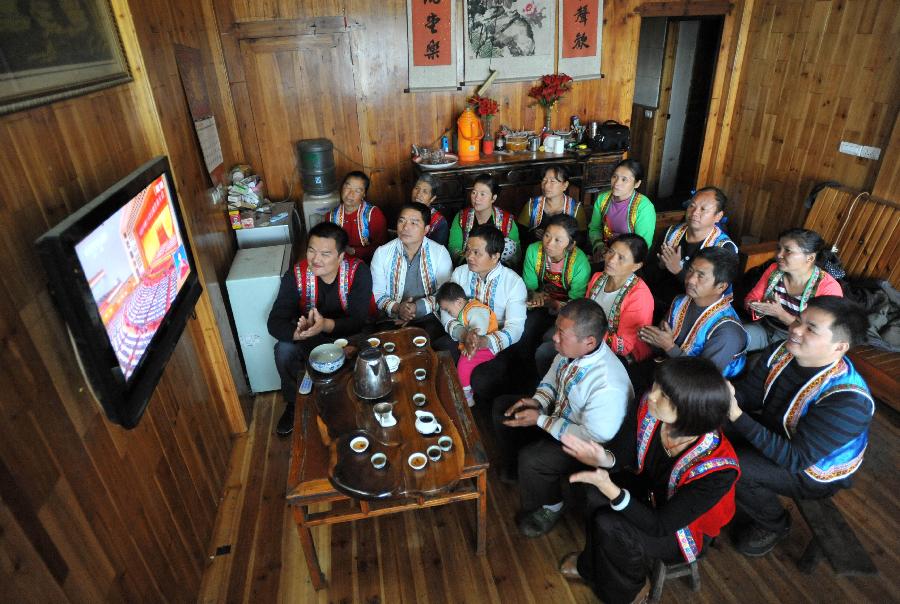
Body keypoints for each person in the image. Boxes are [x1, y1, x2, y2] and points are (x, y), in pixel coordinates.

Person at [557, 357, 739, 603]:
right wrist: (604, 458)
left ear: (690, 412)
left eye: (664, 396)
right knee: (590, 492)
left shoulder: (718, 469)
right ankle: (590, 565)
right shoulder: (651, 408)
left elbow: (661, 525)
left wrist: (612, 490)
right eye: (657, 386)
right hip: (649, 490)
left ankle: (629, 590)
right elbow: (624, 453)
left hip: (680, 529)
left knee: (609, 523)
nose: (652, 395)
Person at [727, 296, 874, 557]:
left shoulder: (848, 400)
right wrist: (718, 397)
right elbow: (748, 395)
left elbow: (796, 459)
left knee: (735, 466)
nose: (795, 329)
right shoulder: (781, 351)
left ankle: (774, 523)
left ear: (839, 347)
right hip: (781, 433)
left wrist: (736, 415)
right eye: (798, 320)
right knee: (711, 424)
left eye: (811, 328)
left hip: (812, 471)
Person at [493, 299, 633, 538]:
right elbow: (550, 380)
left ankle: (551, 505)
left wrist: (539, 420)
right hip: (559, 418)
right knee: (503, 408)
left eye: (561, 333)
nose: (555, 338)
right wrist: (539, 401)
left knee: (533, 459)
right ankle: (519, 473)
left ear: (589, 341)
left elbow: (594, 438)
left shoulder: (608, 385)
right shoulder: (570, 351)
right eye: (557, 329)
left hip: (588, 447)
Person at [267, 222, 374, 436]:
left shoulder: (357, 271)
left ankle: (360, 401)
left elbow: (359, 320)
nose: (316, 259)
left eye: (325, 254)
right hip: (310, 339)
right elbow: (275, 321)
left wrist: (325, 325)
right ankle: (293, 403)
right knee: (284, 349)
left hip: (349, 336)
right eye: (311, 250)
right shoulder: (296, 275)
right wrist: (298, 333)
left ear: (341, 256)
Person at [437, 224, 527, 407]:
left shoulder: (513, 283)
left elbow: (515, 329)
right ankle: (448, 400)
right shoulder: (460, 273)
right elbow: (445, 310)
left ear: (495, 256)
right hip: (463, 335)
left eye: (477, 253)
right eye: (468, 250)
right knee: (441, 351)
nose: (469, 256)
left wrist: (483, 341)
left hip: (495, 345)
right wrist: (464, 334)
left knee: (482, 381)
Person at [639, 247, 748, 380]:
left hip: (695, 390)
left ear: (721, 286)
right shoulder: (681, 301)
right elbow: (662, 337)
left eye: (701, 276)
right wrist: (653, 337)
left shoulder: (728, 331)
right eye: (690, 270)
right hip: (670, 369)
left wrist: (669, 347)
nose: (690, 280)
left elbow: (704, 379)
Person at [744, 228, 844, 351]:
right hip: (765, 329)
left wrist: (780, 313)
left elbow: (818, 333)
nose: (779, 255)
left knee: (761, 363)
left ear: (810, 258)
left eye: (788, 251)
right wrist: (757, 306)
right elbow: (751, 298)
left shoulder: (828, 288)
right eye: (779, 248)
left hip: (798, 342)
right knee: (731, 338)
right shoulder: (774, 270)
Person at [519, 214, 591, 378]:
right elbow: (528, 286)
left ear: (571, 244)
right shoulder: (533, 250)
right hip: (540, 304)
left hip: (566, 311)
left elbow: (576, 303)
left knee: (548, 340)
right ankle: (524, 376)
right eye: (547, 236)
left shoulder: (580, 264)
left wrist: (553, 303)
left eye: (558, 240)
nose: (549, 243)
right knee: (523, 332)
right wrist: (534, 295)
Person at [370, 202, 452, 341]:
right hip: (392, 318)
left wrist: (416, 308)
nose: (406, 227)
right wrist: (397, 308)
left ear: (426, 229)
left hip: (429, 317)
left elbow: (444, 292)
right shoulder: (382, 253)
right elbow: (377, 293)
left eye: (414, 223)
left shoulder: (439, 253)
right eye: (402, 221)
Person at [652, 186, 738, 310]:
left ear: (718, 216)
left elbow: (714, 295)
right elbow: (650, 271)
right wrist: (660, 266)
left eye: (703, 209)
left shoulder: (724, 248)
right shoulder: (671, 233)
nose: (695, 212)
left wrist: (678, 271)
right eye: (692, 206)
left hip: (691, 310)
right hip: (657, 299)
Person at [435, 281, 499, 407]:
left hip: (486, 346)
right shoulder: (464, 310)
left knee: (464, 363)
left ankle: (467, 395)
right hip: (476, 345)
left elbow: (478, 332)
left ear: (459, 302)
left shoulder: (475, 309)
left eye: (448, 310)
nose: (448, 314)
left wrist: (468, 346)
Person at [588, 159, 656, 259]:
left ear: (637, 184)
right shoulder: (602, 199)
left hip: (629, 257)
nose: (616, 183)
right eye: (614, 177)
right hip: (605, 251)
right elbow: (595, 228)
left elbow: (642, 245)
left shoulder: (644, 207)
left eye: (624, 179)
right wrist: (600, 247)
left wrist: (617, 257)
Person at [447, 173, 520, 266]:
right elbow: (454, 248)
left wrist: (491, 264)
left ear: (493, 198)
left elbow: (516, 253)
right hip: (469, 266)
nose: (476, 198)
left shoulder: (507, 220)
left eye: (482, 194)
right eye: (474, 192)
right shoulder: (461, 217)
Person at [517, 164, 587, 251]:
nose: (546, 186)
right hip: (536, 253)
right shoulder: (532, 205)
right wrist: (533, 234)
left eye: (552, 181)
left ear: (565, 185)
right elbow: (519, 234)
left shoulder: (575, 208)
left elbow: (582, 238)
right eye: (544, 180)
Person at [326, 171, 387, 264]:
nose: (350, 194)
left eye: (358, 190)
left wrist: (354, 251)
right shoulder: (331, 216)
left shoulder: (373, 215)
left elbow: (383, 247)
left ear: (364, 194)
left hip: (369, 264)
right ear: (342, 188)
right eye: (348, 187)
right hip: (339, 264)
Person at [411, 173, 450, 246]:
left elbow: (437, 251)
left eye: (425, 192)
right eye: (416, 188)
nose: (418, 194)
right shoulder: (404, 212)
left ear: (432, 198)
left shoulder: (439, 222)